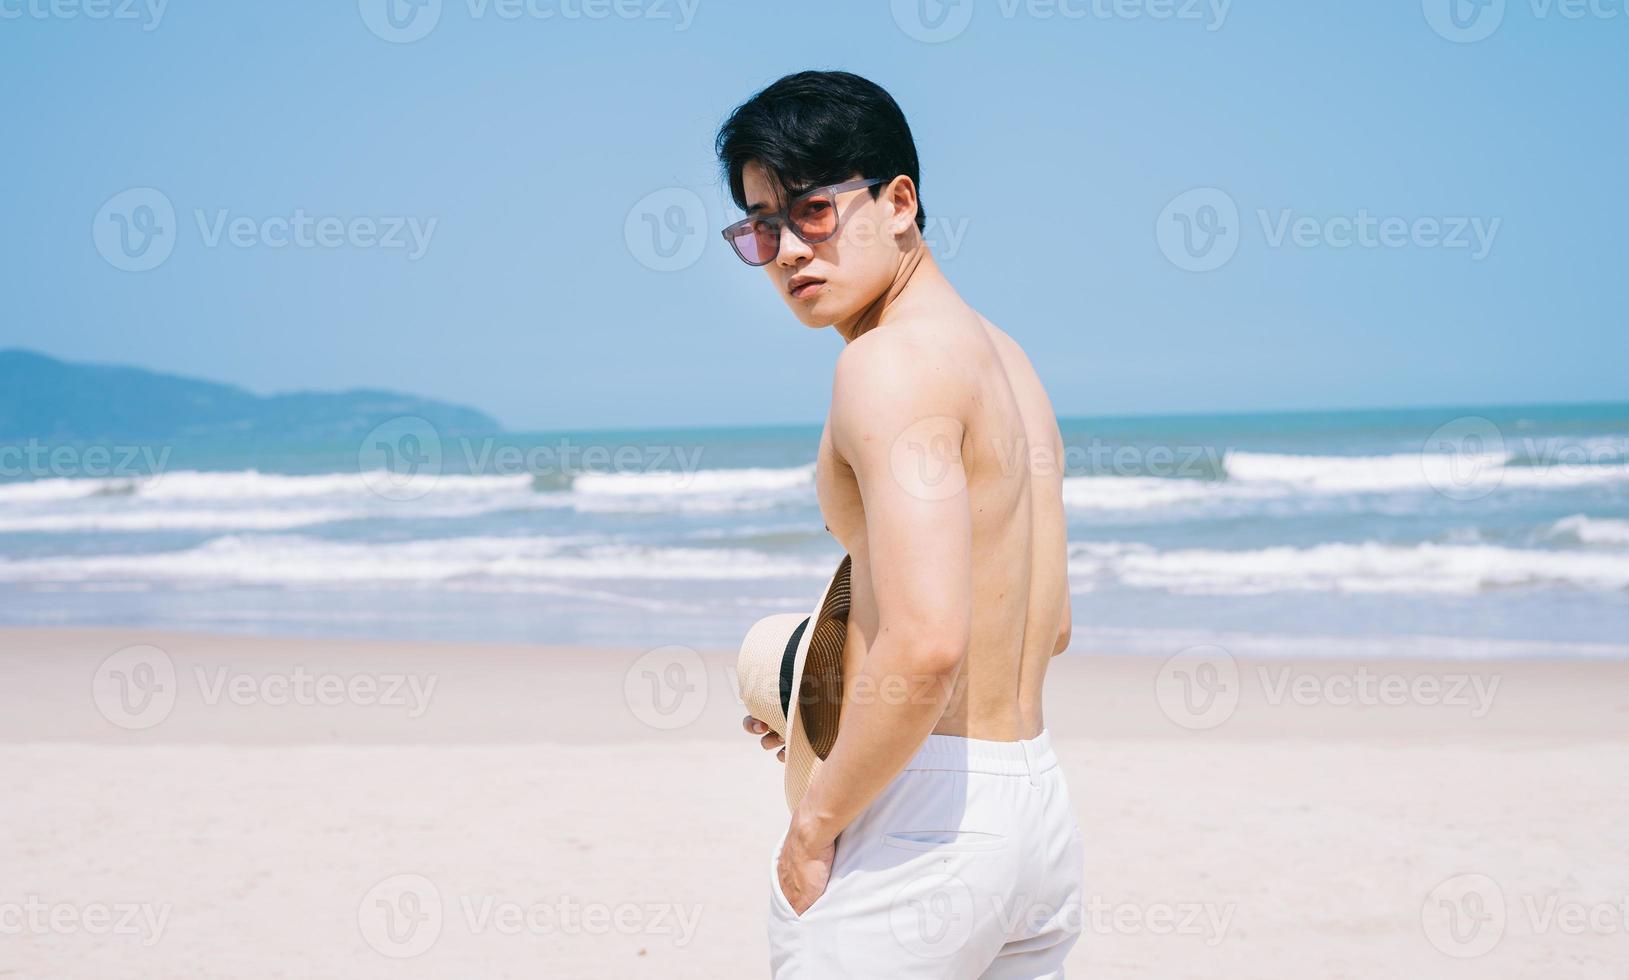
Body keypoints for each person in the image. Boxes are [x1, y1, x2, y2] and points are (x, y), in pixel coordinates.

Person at [717, 70, 1085, 979]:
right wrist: (823, 694)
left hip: (923, 824)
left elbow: (926, 643)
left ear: (898, 201)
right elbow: (1049, 624)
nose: (785, 250)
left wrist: (815, 822)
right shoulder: (1007, 360)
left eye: (809, 210)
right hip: (1032, 806)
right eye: (760, 224)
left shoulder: (887, 366)